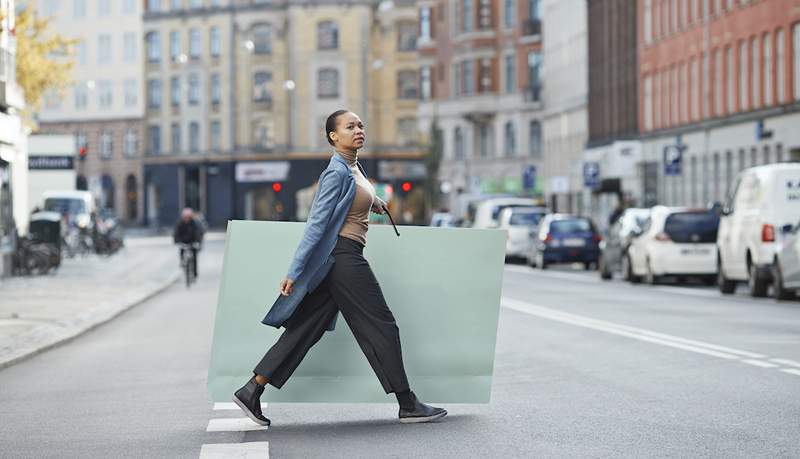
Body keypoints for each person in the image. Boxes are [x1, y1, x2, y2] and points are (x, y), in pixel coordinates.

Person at [233, 110, 447, 427]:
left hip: (342, 256)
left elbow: (352, 198)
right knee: (381, 324)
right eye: (350, 126)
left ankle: (252, 389)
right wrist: (295, 270)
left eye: (361, 124)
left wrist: (374, 202)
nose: (359, 130)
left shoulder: (353, 167)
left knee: (306, 328)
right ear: (333, 136)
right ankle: (407, 402)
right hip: (343, 256)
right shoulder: (335, 172)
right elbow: (317, 224)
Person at [173, 207, 203, 279]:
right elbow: (176, 233)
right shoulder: (180, 223)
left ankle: (195, 273)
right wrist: (176, 241)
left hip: (193, 241)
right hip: (183, 242)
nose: (186, 219)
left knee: (194, 256)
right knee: (182, 250)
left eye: (188, 217)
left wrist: (197, 242)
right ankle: (182, 262)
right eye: (185, 217)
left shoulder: (194, 223)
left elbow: (198, 233)